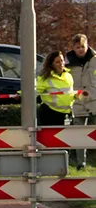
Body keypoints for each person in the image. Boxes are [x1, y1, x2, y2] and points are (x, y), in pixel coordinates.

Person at [65, 34, 95, 169]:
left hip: (94, 100)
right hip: (77, 102)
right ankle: (80, 163)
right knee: (79, 133)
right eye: (78, 47)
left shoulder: (94, 60)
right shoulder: (67, 63)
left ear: (87, 45)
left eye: (82, 46)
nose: (80, 50)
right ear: (73, 48)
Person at [36, 51, 77, 127]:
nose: (61, 64)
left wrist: (78, 95)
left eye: (62, 60)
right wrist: (19, 94)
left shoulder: (68, 76)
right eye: (58, 62)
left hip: (66, 114)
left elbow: (70, 94)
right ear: (51, 64)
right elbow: (33, 90)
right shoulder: (45, 78)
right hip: (50, 114)